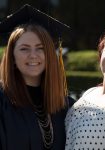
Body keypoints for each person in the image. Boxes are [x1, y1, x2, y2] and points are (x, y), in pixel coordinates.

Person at [0, 4, 74, 150]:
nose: (33, 55)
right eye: (24, 48)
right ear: (12, 57)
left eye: (40, 48)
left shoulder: (66, 106)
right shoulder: (2, 102)